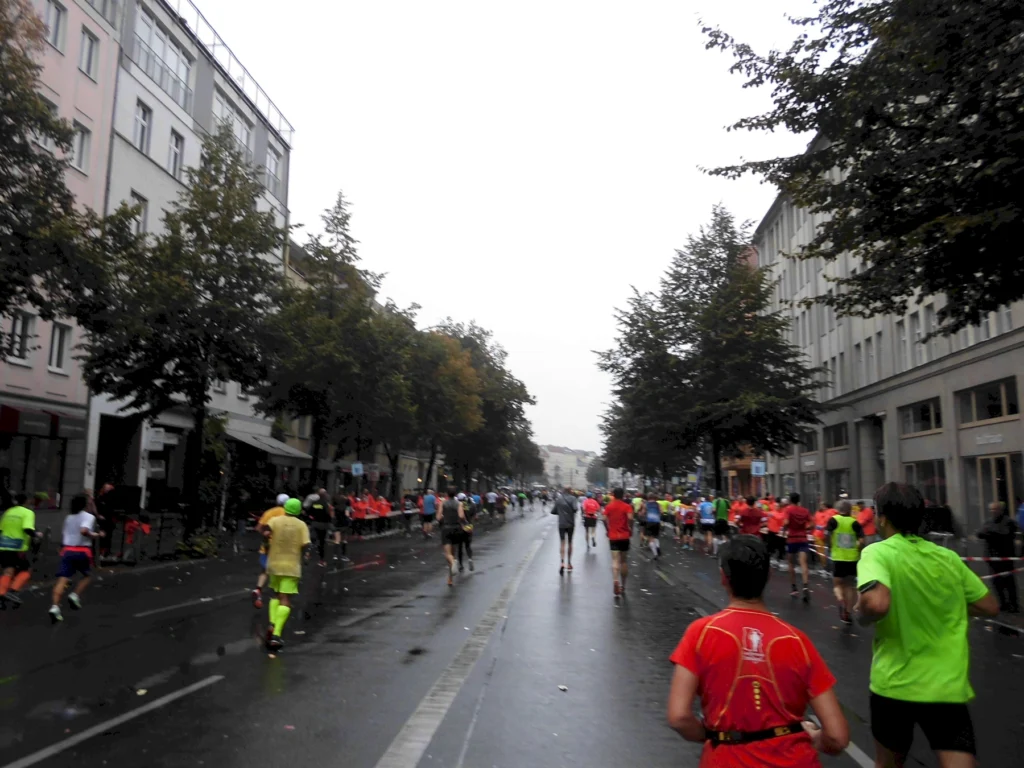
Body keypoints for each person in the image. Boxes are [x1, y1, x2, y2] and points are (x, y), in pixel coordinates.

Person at [667, 536, 849, 766]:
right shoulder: (797, 641)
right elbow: (837, 737)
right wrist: (814, 738)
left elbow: (679, 717)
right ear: (768, 576)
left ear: (723, 577)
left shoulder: (701, 633)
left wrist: (714, 735)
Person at [856, 482, 999, 768]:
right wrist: (941, 604)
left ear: (882, 518)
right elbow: (989, 606)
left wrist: (860, 613)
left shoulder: (878, 553)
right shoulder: (947, 557)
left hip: (894, 685)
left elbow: (876, 603)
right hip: (946, 686)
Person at [263, 498, 311, 651]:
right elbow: (306, 545)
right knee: (285, 599)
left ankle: (272, 622)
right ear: (298, 510)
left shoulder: (275, 520)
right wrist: (305, 558)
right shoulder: (301, 525)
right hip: (291, 566)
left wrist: (267, 545)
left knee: (275, 594)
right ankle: (276, 634)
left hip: (274, 563)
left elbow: (266, 532)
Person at [49, 494, 104, 623]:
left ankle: (55, 607)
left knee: (62, 579)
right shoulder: (88, 516)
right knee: (87, 575)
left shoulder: (69, 517)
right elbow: (84, 531)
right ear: (85, 505)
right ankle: (74, 595)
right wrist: (96, 535)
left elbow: (65, 534)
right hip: (82, 551)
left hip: (67, 550)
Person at [976, 501, 1019, 613]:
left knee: (1009, 581)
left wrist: (989, 533)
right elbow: (979, 533)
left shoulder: (1009, 522)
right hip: (992, 557)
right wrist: (990, 533)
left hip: (1005, 557)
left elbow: (1005, 534)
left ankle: (1014, 604)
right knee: (996, 582)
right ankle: (1002, 603)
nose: (993, 511)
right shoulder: (988, 522)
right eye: (991, 509)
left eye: (995, 509)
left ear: (1000, 510)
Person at [826, 500, 864, 625]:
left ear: (839, 509)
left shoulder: (833, 520)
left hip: (838, 558)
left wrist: (830, 546)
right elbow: (862, 541)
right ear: (849, 510)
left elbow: (827, 534)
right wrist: (858, 549)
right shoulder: (855, 523)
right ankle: (848, 613)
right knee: (849, 586)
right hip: (852, 559)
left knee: (837, 585)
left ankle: (841, 600)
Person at [0, 493, 39, 608]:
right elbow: (27, 528)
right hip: (18, 547)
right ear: (26, 501)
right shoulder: (28, 512)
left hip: (4, 545)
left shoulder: (8, 512)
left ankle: (2, 594)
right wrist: (36, 535)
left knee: (8, 571)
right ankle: (12, 591)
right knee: (26, 570)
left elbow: (1, 529)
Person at [252, 494, 289, 609]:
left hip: (267, 546)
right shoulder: (288, 514)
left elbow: (258, 528)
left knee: (265, 570)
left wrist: (266, 535)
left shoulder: (269, 512)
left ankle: (258, 590)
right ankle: (278, 596)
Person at [603, 488, 633, 598]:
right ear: (623, 495)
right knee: (623, 561)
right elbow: (630, 518)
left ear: (614, 495)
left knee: (615, 560)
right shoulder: (627, 506)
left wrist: (607, 529)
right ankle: (623, 586)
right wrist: (630, 527)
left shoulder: (609, 506)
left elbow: (603, 518)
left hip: (613, 536)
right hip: (624, 536)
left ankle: (615, 580)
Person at [784, 492, 813, 603]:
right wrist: (804, 528)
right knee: (803, 563)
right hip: (803, 539)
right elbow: (812, 524)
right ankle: (805, 586)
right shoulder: (805, 511)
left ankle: (794, 588)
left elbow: (786, 522)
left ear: (790, 500)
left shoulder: (788, 510)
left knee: (791, 563)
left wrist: (785, 529)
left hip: (792, 539)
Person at [438, 490, 466, 587]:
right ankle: (450, 579)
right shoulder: (459, 503)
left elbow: (438, 517)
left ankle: (453, 563)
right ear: (455, 494)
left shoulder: (442, 503)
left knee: (448, 554)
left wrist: (444, 517)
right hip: (456, 529)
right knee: (453, 553)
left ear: (447, 494)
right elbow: (461, 516)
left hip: (446, 529)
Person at [551, 488, 577, 575]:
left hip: (561, 524)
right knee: (570, 542)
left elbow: (553, 511)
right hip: (570, 524)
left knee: (562, 542)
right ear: (570, 491)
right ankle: (569, 563)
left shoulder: (559, 499)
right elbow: (575, 508)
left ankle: (562, 563)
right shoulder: (573, 498)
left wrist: (560, 512)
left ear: (563, 491)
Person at [305, 488, 334, 567]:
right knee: (322, 542)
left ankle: (307, 554)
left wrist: (312, 518)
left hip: (314, 523)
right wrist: (329, 521)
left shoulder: (314, 503)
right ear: (325, 495)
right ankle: (321, 560)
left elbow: (309, 512)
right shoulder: (326, 504)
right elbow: (328, 515)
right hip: (323, 525)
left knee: (312, 540)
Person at [813, 501, 837, 576]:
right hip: (824, 535)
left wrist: (822, 528)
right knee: (826, 552)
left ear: (825, 506)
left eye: (822, 505)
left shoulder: (829, 513)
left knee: (824, 552)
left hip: (824, 535)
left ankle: (827, 569)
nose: (820, 506)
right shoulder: (830, 512)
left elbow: (826, 523)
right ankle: (828, 569)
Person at [456, 494, 476, 573]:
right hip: (468, 527)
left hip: (459, 528)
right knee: (468, 545)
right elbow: (474, 516)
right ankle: (470, 559)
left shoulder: (457, 505)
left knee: (460, 547)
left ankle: (461, 565)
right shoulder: (471, 505)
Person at [643, 492, 662, 559]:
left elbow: (643, 512)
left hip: (649, 522)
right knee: (655, 536)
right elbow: (661, 512)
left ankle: (655, 554)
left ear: (648, 497)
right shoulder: (658, 504)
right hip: (657, 522)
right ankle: (657, 546)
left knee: (650, 538)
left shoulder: (646, 504)